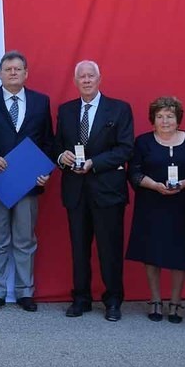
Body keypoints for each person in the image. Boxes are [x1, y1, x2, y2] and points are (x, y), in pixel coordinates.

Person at [55, 60, 135, 321]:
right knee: (79, 247)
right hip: (75, 191)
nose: (86, 80)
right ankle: (81, 298)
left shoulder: (119, 109)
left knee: (109, 248)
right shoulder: (66, 111)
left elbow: (125, 149)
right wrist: (61, 157)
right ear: (75, 82)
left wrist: (94, 163)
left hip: (107, 190)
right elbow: (56, 145)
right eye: (82, 77)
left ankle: (113, 300)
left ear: (99, 79)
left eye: (91, 76)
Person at [0, 51, 54, 312]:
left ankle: (25, 292)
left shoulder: (40, 102)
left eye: (18, 69)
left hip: (28, 183)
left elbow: (48, 142)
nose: (13, 73)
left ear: (26, 74)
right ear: (0, 74)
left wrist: (47, 170)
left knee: (25, 239)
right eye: (8, 69)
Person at [125, 96, 185, 323]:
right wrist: (154, 186)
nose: (165, 120)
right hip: (151, 203)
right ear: (153, 119)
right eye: (160, 116)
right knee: (152, 252)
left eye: (170, 116)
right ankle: (155, 299)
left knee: (179, 253)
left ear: (178, 119)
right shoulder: (143, 142)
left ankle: (176, 302)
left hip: (181, 205)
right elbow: (134, 172)